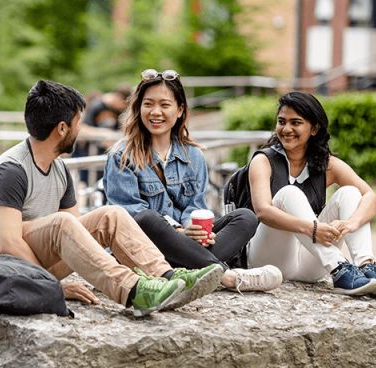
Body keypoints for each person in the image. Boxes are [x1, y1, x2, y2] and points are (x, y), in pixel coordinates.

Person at [0, 79, 223, 317]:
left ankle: (167, 277)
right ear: (62, 128)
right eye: (79, 122)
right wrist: (51, 286)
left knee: (111, 214)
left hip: (31, 262)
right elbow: (8, 242)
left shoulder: (60, 168)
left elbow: (80, 234)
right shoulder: (12, 170)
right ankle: (135, 291)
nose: (82, 129)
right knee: (61, 224)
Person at [104, 68, 283, 293]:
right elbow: (128, 217)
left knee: (245, 217)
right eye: (148, 104)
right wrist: (179, 232)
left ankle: (190, 271)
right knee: (147, 218)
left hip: (185, 248)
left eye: (165, 105)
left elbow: (196, 206)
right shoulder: (121, 155)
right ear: (138, 108)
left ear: (180, 110)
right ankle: (227, 276)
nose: (155, 112)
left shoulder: (194, 155)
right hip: (143, 250)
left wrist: (195, 229)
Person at [245, 91, 376, 296]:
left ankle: (365, 265)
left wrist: (350, 223)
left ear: (314, 128)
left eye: (296, 123)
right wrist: (313, 229)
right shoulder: (263, 161)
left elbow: (371, 197)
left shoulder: (327, 164)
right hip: (269, 261)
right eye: (282, 121)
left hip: (310, 266)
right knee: (289, 193)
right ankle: (339, 267)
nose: (286, 129)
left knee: (350, 193)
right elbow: (263, 211)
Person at [73, 86, 131, 185]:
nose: (123, 108)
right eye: (122, 104)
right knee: (90, 190)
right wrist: (106, 134)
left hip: (110, 158)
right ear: (117, 98)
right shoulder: (97, 105)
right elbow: (82, 129)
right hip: (91, 158)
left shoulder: (120, 110)